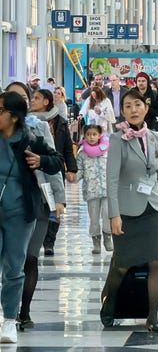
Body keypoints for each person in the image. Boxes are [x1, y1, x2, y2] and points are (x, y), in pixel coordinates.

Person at [100, 89, 158, 333]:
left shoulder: (157, 138)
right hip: (127, 210)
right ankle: (110, 302)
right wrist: (113, 214)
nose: (133, 110)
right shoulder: (118, 139)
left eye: (137, 104)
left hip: (154, 209)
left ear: (146, 108)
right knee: (122, 264)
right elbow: (112, 180)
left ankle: (153, 316)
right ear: (123, 112)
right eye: (127, 106)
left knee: (157, 262)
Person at [0, 91, 63, 343]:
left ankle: (9, 320)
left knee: (15, 266)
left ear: (13, 117)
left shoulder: (30, 138)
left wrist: (41, 160)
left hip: (21, 212)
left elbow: (58, 161)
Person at [30, 89, 77, 256]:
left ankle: (49, 242)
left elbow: (67, 148)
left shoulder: (60, 121)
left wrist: (72, 168)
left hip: (54, 165)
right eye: (32, 98)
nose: (32, 101)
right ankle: (38, 239)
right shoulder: (27, 122)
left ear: (46, 101)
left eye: (37, 98)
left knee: (55, 206)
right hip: (36, 173)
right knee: (42, 206)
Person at [75, 125, 112, 254]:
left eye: (94, 134)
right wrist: (72, 176)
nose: (91, 137)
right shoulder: (82, 154)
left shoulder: (107, 151)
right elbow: (79, 170)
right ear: (84, 136)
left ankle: (108, 236)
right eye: (88, 134)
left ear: (99, 135)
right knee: (94, 218)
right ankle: (96, 241)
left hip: (108, 190)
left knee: (108, 215)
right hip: (91, 191)